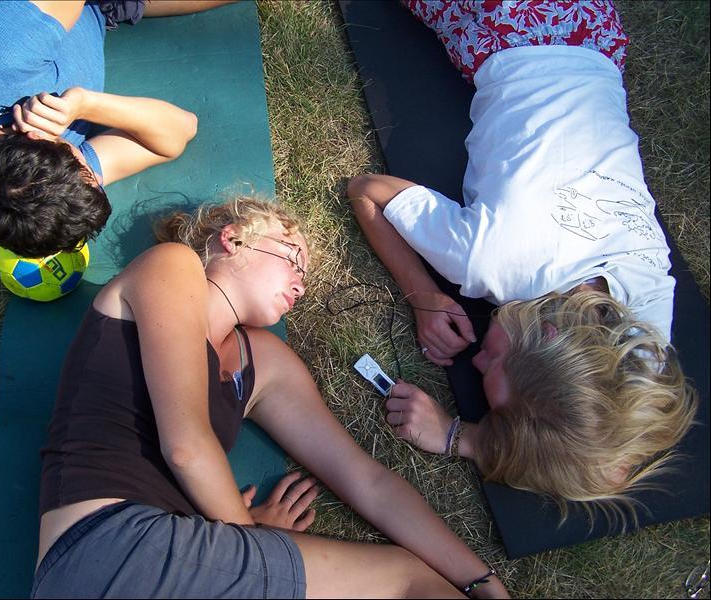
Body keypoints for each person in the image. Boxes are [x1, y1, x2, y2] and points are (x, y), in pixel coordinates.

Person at [32, 197, 509, 598]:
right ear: (233, 239)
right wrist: (247, 535)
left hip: (166, 554)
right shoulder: (172, 267)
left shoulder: (263, 361)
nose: (301, 281)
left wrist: (482, 581)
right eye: (292, 258)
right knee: (405, 581)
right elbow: (187, 447)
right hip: (111, 548)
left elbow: (367, 481)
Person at [348, 0, 698, 508]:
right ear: (547, 334)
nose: (477, 358)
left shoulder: (639, 332)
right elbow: (366, 191)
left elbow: (604, 460)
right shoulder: (489, 260)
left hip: (594, 34)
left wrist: (463, 437)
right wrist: (421, 293)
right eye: (493, 363)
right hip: (505, 22)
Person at [0, 0, 233, 258]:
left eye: (86, 166)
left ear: (37, 136)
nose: (97, 172)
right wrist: (85, 104)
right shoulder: (33, 176)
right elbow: (180, 129)